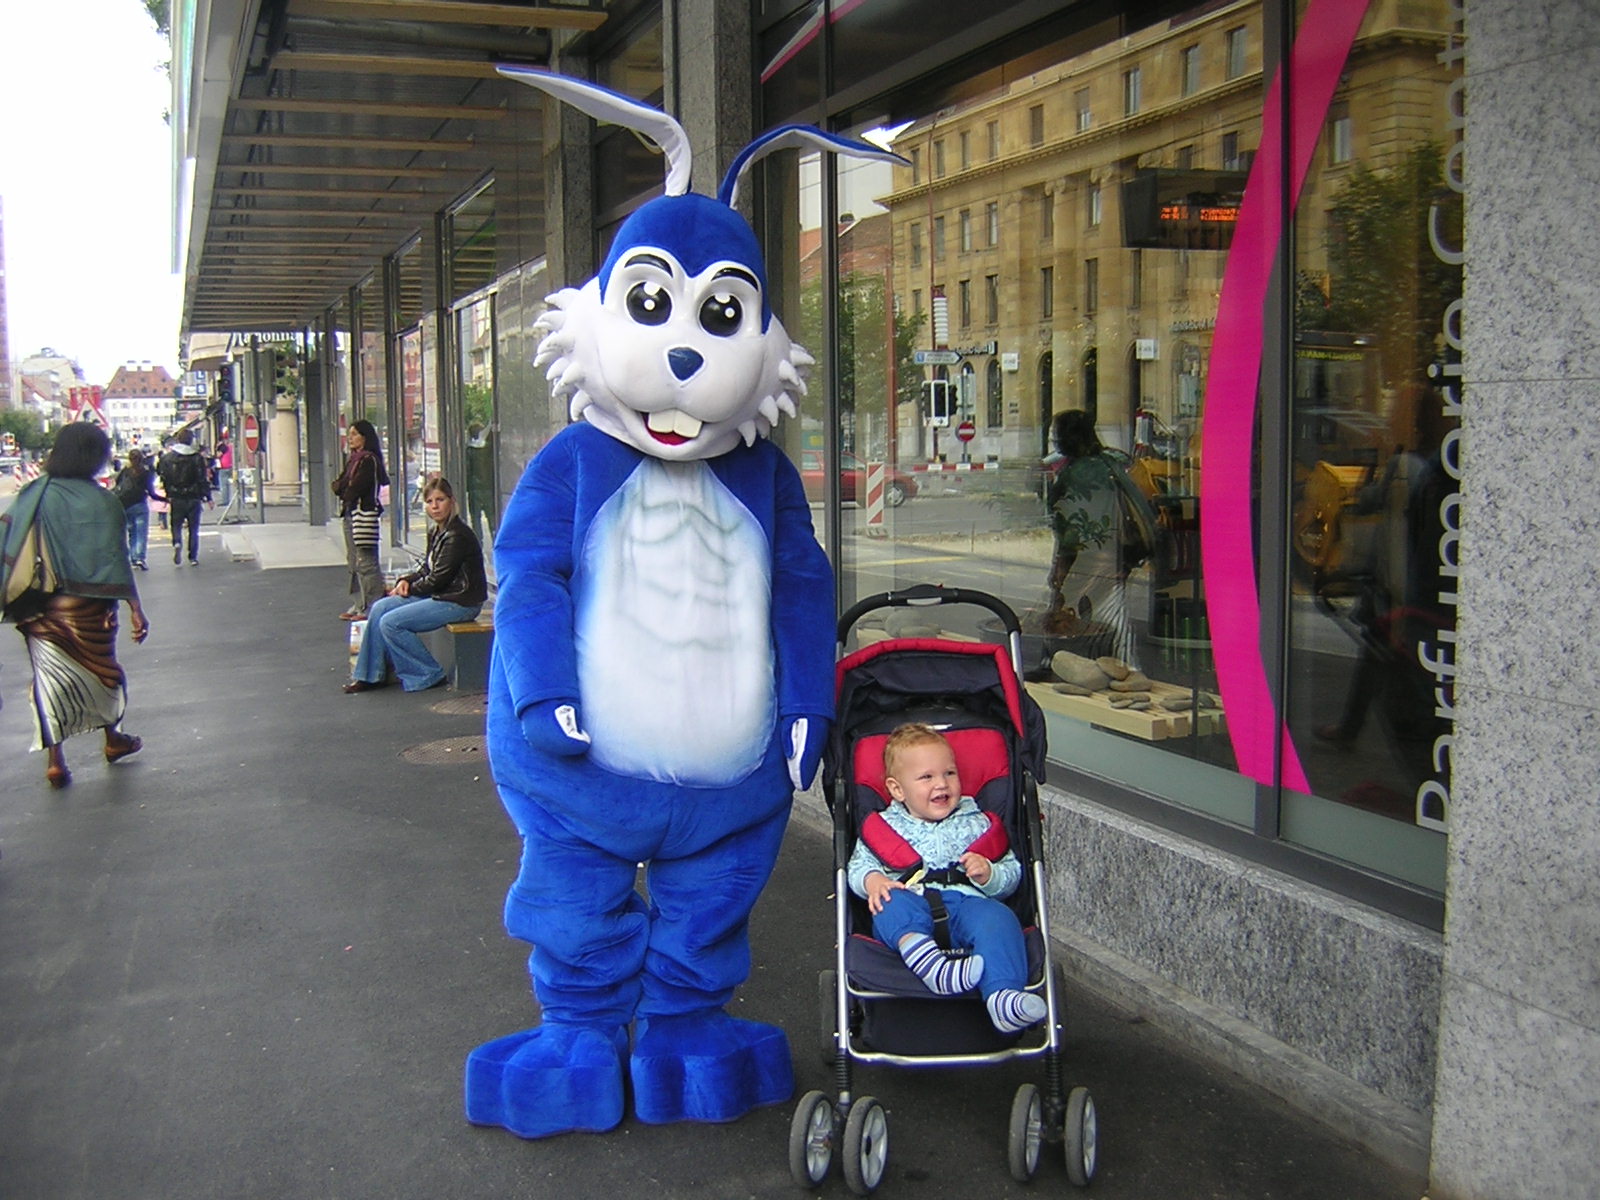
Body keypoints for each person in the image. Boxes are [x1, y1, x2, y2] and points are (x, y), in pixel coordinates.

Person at [846, 723, 1047, 1034]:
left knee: (999, 918)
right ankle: (933, 967)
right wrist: (873, 881)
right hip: (911, 903)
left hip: (969, 905)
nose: (941, 784)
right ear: (897, 790)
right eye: (926, 777)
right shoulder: (884, 827)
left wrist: (990, 874)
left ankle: (1003, 997)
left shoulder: (977, 822)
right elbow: (859, 865)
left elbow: (1012, 873)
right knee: (888, 903)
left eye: (949, 773)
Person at [0, 423, 149, 789]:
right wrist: (135, 607)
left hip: (39, 606)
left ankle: (56, 762)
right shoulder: (102, 501)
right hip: (91, 607)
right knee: (105, 674)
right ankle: (112, 738)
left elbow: (8, 536)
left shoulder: (33, 494)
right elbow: (116, 558)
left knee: (48, 679)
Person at [344, 474, 487, 694]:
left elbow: (437, 579)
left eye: (440, 500)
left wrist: (409, 588)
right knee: (380, 607)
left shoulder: (457, 535)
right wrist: (405, 580)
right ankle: (370, 675)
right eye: (429, 501)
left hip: (460, 601)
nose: (435, 506)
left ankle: (426, 673)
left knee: (391, 623)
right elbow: (427, 570)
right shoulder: (436, 532)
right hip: (442, 594)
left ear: (451, 501)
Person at [1043, 410, 1156, 664]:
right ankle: (1126, 670)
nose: (1055, 441)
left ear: (1069, 437)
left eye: (1057, 435)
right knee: (1114, 619)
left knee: (1073, 622)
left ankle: (1116, 670)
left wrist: (1060, 570)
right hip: (1117, 556)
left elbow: (1072, 532)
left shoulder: (1076, 474)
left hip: (1090, 561)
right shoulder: (1112, 462)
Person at [331, 419, 389, 619]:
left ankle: (372, 605)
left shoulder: (368, 460)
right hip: (350, 514)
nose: (350, 438)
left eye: (355, 434)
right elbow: (338, 485)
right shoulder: (353, 460)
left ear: (365, 437)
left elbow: (352, 489)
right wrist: (342, 488)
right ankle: (359, 603)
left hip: (363, 515)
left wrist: (343, 488)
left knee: (366, 561)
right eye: (350, 434)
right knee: (354, 561)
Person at [156, 427, 212, 565]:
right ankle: (193, 557)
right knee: (193, 528)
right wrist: (208, 497)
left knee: (176, 523)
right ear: (191, 440)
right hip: (193, 496)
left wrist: (168, 492)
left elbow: (162, 475)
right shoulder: (197, 458)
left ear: (178, 440)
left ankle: (177, 542)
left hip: (176, 496)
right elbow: (202, 479)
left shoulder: (167, 458)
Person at [111, 447, 162, 570]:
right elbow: (151, 492)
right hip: (140, 504)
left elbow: (117, 485)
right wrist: (164, 499)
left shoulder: (125, 471)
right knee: (141, 533)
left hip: (125, 505)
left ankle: (133, 558)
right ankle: (139, 558)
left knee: (132, 532)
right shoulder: (145, 472)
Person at [465, 422, 497, 543]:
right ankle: (495, 541)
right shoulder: (490, 450)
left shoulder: (469, 450)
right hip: (488, 488)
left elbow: (467, 470)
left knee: (476, 520)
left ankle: (478, 543)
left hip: (474, 489)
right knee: (492, 519)